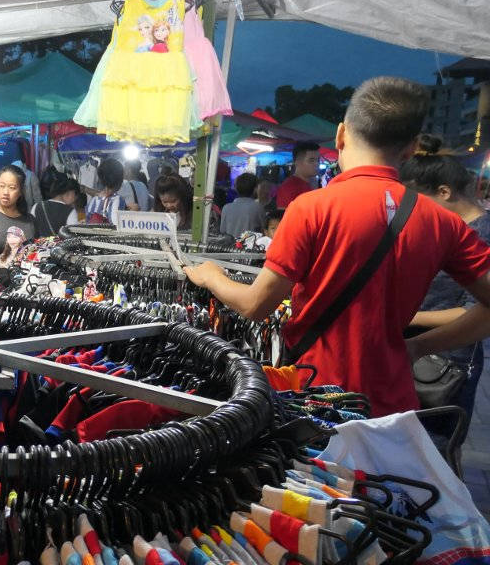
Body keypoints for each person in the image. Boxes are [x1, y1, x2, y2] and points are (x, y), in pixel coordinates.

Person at [184, 76, 490, 417]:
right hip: (394, 406)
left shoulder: (312, 208)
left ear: (341, 133)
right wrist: (419, 346)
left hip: (319, 399)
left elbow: (256, 305)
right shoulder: (441, 221)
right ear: (411, 147)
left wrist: (212, 276)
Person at [403, 134, 490, 436]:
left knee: (437, 444)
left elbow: (471, 311)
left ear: (444, 192)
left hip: (447, 360)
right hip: (423, 352)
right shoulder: (450, 229)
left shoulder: (482, 234)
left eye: (419, 202)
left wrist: (409, 317)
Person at [32, 173, 79, 237]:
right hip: (60, 246)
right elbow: (73, 236)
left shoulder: (37, 206)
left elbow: (31, 230)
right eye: (75, 195)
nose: (75, 199)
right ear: (70, 193)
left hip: (37, 246)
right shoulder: (70, 211)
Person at [219, 172, 267, 237]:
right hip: (250, 246)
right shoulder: (258, 207)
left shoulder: (226, 208)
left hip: (229, 246)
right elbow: (265, 230)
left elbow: (222, 231)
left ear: (236, 188)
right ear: (255, 189)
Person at [275, 141, 320, 209]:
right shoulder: (288, 188)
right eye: (311, 160)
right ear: (297, 162)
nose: (317, 164)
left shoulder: (311, 183)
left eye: (318, 160)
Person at [86, 158, 127, 225]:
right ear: (119, 180)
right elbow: (116, 224)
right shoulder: (118, 199)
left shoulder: (94, 200)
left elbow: (87, 220)